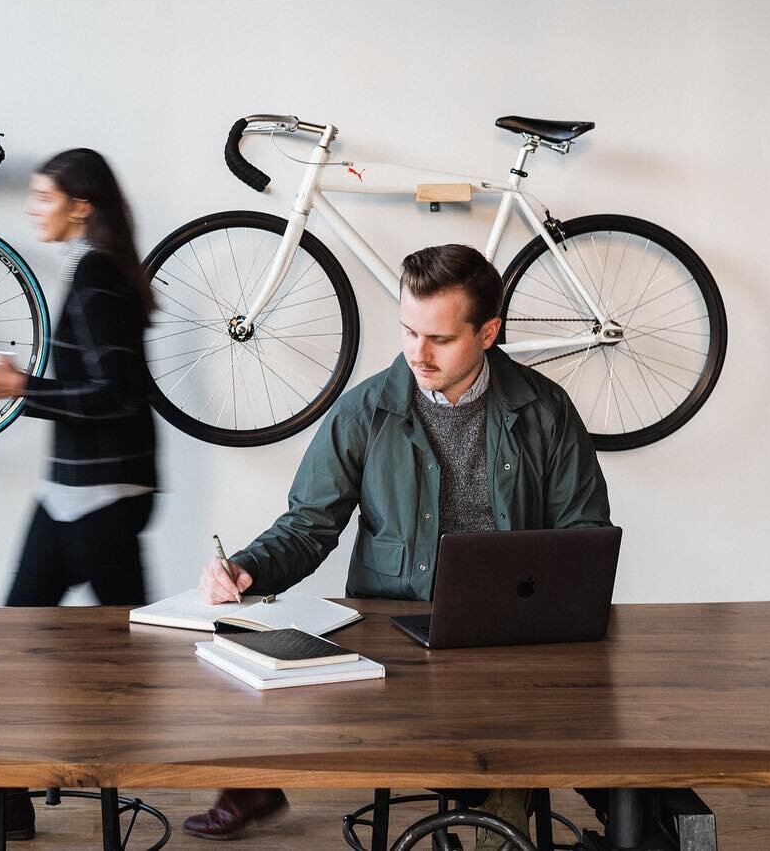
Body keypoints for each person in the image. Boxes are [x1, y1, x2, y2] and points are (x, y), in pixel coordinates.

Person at [185, 243, 611, 847]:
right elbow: (309, 524)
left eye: (439, 338)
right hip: (397, 640)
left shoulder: (546, 409)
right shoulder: (364, 410)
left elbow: (586, 533)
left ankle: (538, 812)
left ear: (488, 332)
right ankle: (499, 814)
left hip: (513, 636)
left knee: (598, 732)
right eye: (409, 331)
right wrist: (247, 566)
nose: (417, 353)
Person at [0, 148, 158, 844]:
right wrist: (29, 386)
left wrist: (24, 387)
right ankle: (8, 803)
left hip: (101, 499)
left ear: (80, 205)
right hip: (75, 495)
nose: (32, 208)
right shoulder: (94, 272)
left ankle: (246, 784)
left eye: (42, 196)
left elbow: (118, 394)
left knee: (136, 665)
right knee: (37, 650)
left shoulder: (98, 278)